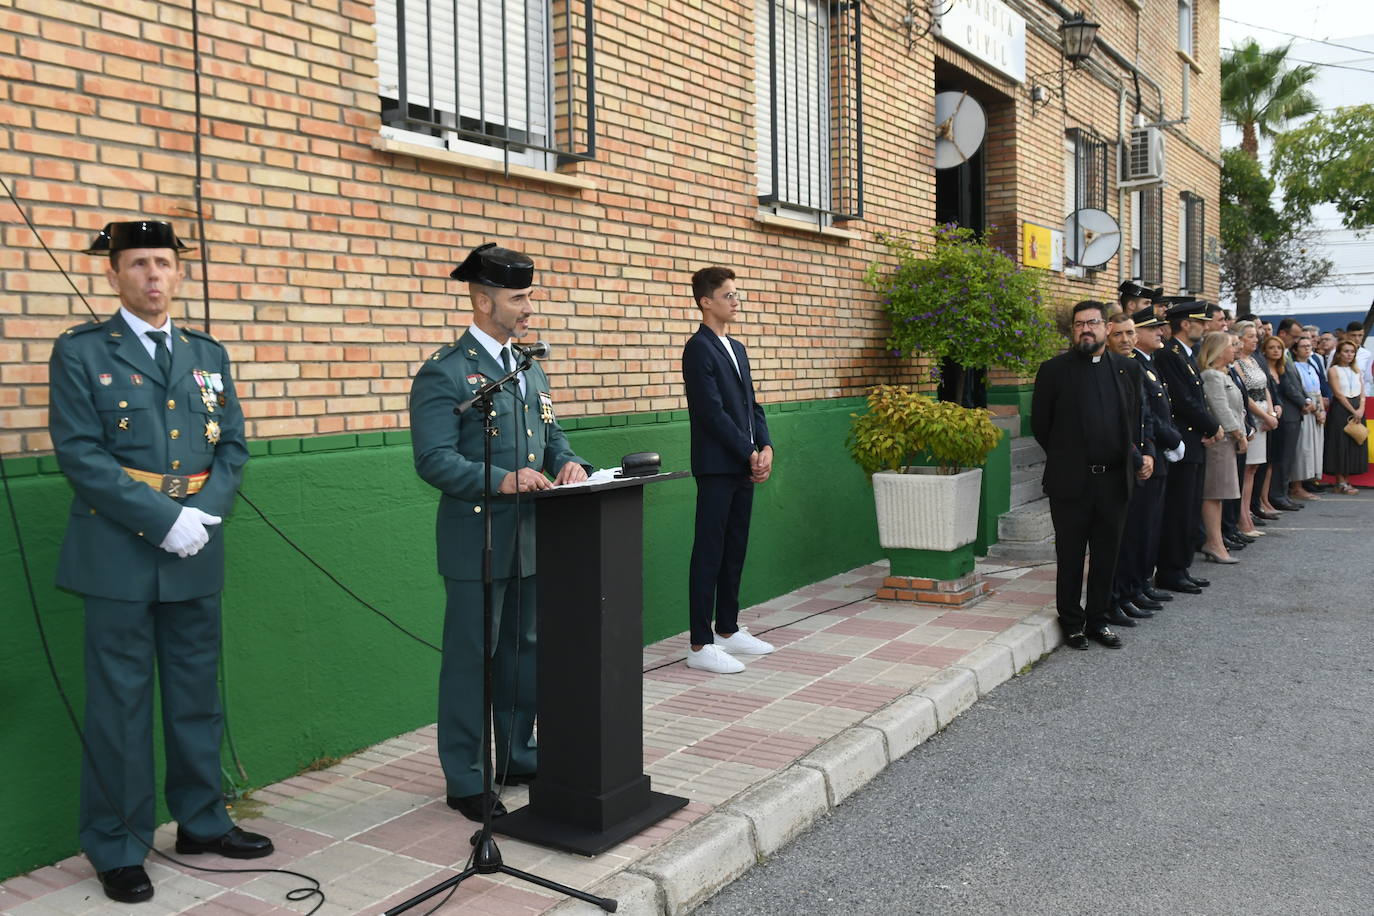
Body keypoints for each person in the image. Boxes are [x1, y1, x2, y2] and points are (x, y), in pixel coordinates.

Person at [48, 221, 270, 905]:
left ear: (179, 273)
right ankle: (117, 844)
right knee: (119, 704)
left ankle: (202, 822)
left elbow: (232, 445)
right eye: (139, 263)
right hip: (116, 550)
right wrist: (163, 519)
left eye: (164, 263)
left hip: (195, 546)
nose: (153, 275)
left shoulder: (206, 353)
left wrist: (204, 515)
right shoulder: (83, 351)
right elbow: (80, 452)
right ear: (113, 273)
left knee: (196, 695)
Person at [410, 242, 590, 822]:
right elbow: (433, 459)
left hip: (531, 537)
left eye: (530, 296)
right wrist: (500, 479)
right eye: (519, 298)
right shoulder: (445, 372)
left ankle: (516, 754)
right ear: (484, 302)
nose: (529, 307)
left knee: (522, 652)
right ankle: (466, 777)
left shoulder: (528, 365)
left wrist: (569, 462)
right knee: (472, 660)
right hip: (477, 540)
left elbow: (552, 435)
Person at [1032, 301, 1144, 650]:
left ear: (1106, 328)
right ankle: (1072, 623)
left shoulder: (1127, 369)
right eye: (1079, 324)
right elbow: (1041, 425)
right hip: (1071, 482)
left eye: (1092, 323)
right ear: (1073, 330)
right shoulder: (1053, 370)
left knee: (1106, 555)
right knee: (1070, 556)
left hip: (1113, 481)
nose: (1085, 329)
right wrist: (1068, 457)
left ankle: (1099, 619)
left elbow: (1135, 419)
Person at [682, 266, 776, 674]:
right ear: (706, 301)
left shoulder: (736, 347)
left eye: (737, 294)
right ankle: (700, 643)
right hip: (717, 466)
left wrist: (766, 445)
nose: (736, 301)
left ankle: (727, 628)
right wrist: (748, 452)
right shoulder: (698, 348)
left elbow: (752, 405)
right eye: (729, 295)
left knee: (735, 548)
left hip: (743, 463)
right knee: (709, 551)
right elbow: (711, 412)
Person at [1108, 310, 1180, 622]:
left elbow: (1146, 417)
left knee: (1142, 530)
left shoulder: (1135, 367)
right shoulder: (1112, 369)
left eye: (1129, 333)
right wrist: (1140, 457)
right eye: (1118, 334)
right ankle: (1120, 594)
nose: (1126, 339)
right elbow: (1114, 424)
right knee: (1126, 537)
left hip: (1145, 458)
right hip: (1123, 464)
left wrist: (1150, 451)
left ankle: (1134, 588)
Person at [1152, 301, 1222, 595]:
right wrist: (1213, 426)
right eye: (1201, 322)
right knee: (1178, 510)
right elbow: (1183, 401)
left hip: (1194, 441)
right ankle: (1171, 570)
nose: (1205, 327)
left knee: (1189, 508)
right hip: (1182, 442)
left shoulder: (1185, 355)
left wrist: (1208, 427)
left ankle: (1181, 567)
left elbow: (1197, 399)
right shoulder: (1170, 355)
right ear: (1184, 324)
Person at [1198, 332, 1247, 563]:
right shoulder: (1211, 376)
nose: (1234, 349)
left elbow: (1237, 407)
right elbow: (1220, 408)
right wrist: (1238, 433)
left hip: (1227, 440)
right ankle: (1213, 542)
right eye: (1230, 346)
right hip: (1220, 441)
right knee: (1214, 493)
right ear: (1218, 351)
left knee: (1220, 495)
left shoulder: (1223, 374)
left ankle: (1216, 541)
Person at [1231, 320, 1277, 536]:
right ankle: (1242, 518)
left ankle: (1248, 513)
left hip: (1264, 415)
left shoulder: (1254, 360)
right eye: (1250, 336)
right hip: (1252, 416)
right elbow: (1244, 395)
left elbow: (1265, 387)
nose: (1255, 340)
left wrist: (1271, 413)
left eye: (1255, 336)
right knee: (1247, 469)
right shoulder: (1237, 364)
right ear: (1239, 339)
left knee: (1254, 468)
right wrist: (1264, 416)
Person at [1263, 334, 1306, 511]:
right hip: (1275, 418)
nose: (1276, 351)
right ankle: (1275, 495)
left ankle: (1282, 493)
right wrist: (1304, 403)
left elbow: (1295, 387)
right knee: (1277, 459)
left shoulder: (1282, 368)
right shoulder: (1263, 368)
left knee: (1286, 458)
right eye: (1271, 347)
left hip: (1289, 416)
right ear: (1264, 350)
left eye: (1279, 348)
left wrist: (1305, 401)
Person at [1324, 339, 1367, 493]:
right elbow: (1338, 394)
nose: (1349, 354)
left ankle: (1347, 479)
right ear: (1339, 354)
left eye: (1352, 352)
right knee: (1339, 444)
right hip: (1341, 409)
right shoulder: (1333, 370)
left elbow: (1362, 393)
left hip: (1357, 407)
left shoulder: (1357, 370)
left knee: (1353, 443)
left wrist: (1361, 409)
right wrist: (1353, 411)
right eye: (1346, 351)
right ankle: (1340, 481)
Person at [1290, 334, 1326, 499]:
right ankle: (1296, 486)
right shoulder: (1294, 367)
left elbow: (1318, 391)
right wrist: (1315, 409)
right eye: (1303, 346)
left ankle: (1307, 482)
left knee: (1313, 448)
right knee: (1303, 447)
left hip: (1316, 406)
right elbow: (1301, 391)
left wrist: (1322, 410)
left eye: (1309, 346)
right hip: (1306, 408)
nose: (1307, 349)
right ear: (1295, 350)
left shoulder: (1312, 366)